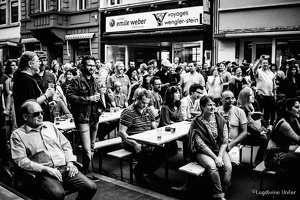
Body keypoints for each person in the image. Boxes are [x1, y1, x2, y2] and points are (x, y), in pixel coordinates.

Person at [10, 100, 97, 200]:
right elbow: (21, 161)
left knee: (91, 187)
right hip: (44, 173)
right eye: (36, 114)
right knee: (58, 194)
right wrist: (46, 169)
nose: (40, 116)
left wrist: (70, 162)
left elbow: (65, 144)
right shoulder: (18, 135)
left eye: (42, 113)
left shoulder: (50, 126)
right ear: (25, 117)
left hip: (64, 168)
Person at [187, 95, 231, 200]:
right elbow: (200, 145)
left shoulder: (220, 119)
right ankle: (218, 195)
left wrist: (219, 156)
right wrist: (215, 158)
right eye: (209, 105)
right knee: (212, 166)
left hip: (218, 149)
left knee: (228, 167)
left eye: (214, 105)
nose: (212, 107)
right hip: (203, 151)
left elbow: (225, 141)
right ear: (202, 106)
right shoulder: (196, 122)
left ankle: (223, 189)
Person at [118, 88, 165, 185]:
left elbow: (154, 128)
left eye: (147, 103)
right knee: (145, 154)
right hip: (131, 142)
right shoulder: (128, 112)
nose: (145, 105)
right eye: (143, 102)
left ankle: (148, 170)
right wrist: (134, 143)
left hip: (146, 140)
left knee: (163, 150)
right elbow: (122, 133)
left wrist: (158, 139)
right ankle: (139, 172)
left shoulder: (148, 110)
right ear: (136, 99)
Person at [66, 55, 100, 181]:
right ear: (83, 66)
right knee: (86, 148)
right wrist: (88, 99)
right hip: (82, 118)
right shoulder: (76, 79)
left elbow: (97, 96)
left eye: (93, 65)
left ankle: (87, 170)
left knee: (91, 146)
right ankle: (89, 174)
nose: (92, 67)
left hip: (94, 116)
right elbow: (69, 96)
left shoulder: (94, 79)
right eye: (89, 65)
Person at [13, 51, 55, 127]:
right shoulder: (26, 80)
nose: (39, 63)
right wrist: (46, 95)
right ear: (30, 64)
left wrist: (46, 104)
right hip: (32, 124)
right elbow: (31, 104)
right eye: (37, 61)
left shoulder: (25, 77)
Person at [264, 98, 300, 179]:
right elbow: (298, 139)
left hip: (283, 150)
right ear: (287, 109)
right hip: (272, 157)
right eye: (297, 107)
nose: (299, 109)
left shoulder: (294, 120)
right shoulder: (284, 124)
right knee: (296, 158)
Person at [237, 87, 269, 165]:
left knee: (269, 134)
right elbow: (246, 126)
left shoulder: (254, 103)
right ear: (245, 97)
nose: (253, 97)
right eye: (251, 95)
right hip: (245, 135)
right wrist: (259, 132)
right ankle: (258, 162)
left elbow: (260, 117)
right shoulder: (241, 109)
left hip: (255, 129)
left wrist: (266, 127)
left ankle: (264, 159)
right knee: (264, 141)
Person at [252, 54, 276, 127]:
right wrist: (259, 60)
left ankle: (266, 127)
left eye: (266, 63)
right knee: (259, 112)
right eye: (263, 63)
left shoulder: (272, 73)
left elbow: (274, 85)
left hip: (269, 96)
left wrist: (275, 94)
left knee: (267, 113)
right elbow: (253, 69)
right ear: (261, 64)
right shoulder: (259, 71)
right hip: (261, 95)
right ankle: (259, 126)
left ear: (268, 65)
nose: (265, 64)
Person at [159, 86, 183, 156]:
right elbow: (166, 125)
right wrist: (176, 124)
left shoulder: (178, 105)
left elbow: (180, 120)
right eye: (176, 93)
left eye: (179, 93)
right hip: (167, 131)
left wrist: (173, 123)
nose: (179, 94)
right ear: (171, 95)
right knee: (172, 153)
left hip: (176, 129)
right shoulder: (165, 107)